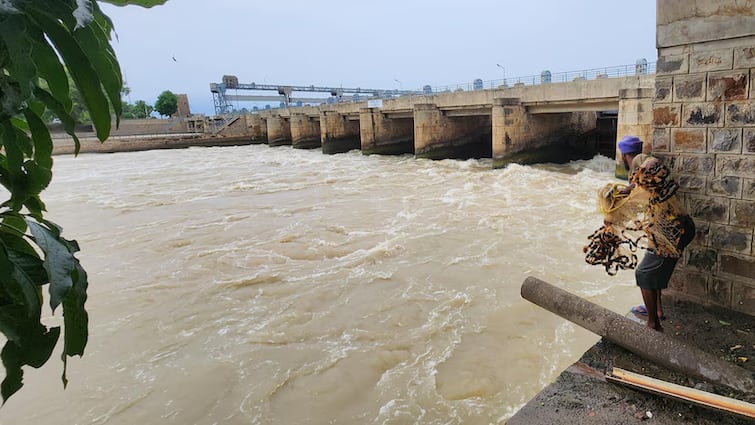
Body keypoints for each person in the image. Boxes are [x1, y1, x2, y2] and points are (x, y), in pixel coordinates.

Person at [617, 136, 695, 332]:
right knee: (652, 268)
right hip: (673, 227)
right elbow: (637, 190)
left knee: (643, 273)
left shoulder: (647, 169)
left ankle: (653, 325)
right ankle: (657, 310)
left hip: (672, 232)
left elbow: (639, 188)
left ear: (625, 155)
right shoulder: (646, 172)